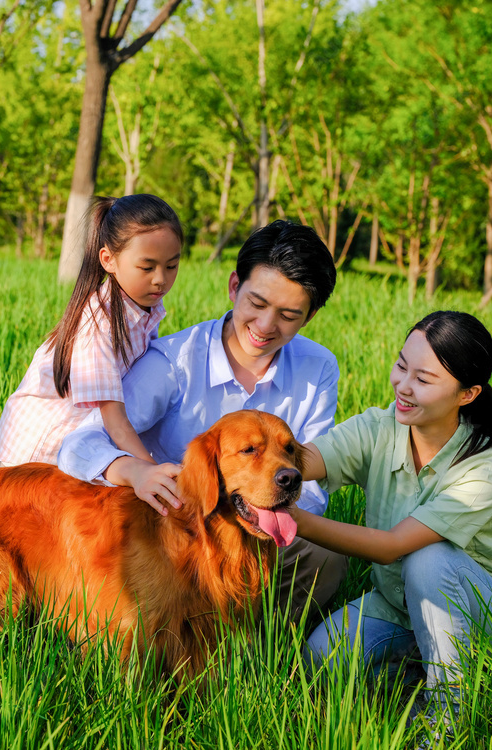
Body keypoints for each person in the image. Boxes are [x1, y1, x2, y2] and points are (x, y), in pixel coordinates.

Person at [58, 220, 348, 619]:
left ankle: (257, 646)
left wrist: (268, 516)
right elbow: (79, 443)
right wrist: (137, 471)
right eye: (257, 304)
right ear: (233, 287)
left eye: (288, 314)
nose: (265, 327)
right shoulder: (173, 362)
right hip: (173, 534)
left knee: (326, 558)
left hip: (260, 534)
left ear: (310, 316)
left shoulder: (318, 368)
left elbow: (310, 484)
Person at [297, 310, 492, 727]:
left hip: (491, 615)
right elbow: (306, 459)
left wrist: (291, 519)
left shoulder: (489, 465)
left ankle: (448, 716)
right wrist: (259, 467)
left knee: (429, 559)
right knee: (321, 659)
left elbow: (391, 548)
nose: (403, 387)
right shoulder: (380, 426)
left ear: (467, 393)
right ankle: (425, 672)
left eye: (423, 380)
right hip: (400, 606)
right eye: (401, 366)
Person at [0, 194, 183, 468]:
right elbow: (115, 422)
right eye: (147, 267)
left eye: (172, 266)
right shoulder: (98, 323)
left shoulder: (144, 307)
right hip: (32, 453)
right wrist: (151, 471)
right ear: (108, 260)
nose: (160, 279)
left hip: (75, 443)